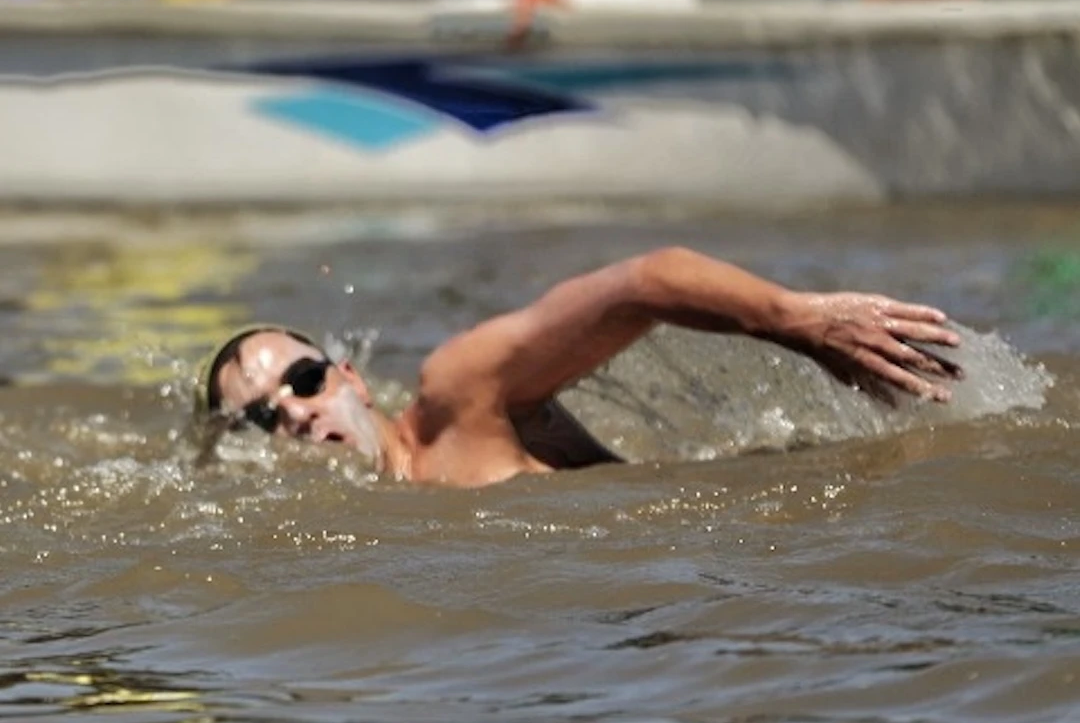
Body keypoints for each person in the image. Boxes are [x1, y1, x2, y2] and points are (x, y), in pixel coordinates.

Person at [201, 246, 961, 487]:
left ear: (351, 380)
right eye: (264, 415)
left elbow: (646, 282)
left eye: (303, 382)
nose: (295, 413)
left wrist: (804, 322)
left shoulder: (460, 397)